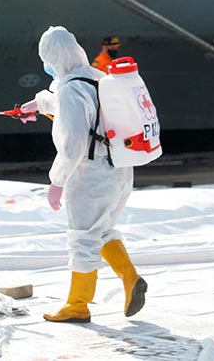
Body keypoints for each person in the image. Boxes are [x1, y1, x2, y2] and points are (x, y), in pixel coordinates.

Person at [19, 26, 146, 323]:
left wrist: (57, 180)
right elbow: (74, 105)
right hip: (119, 170)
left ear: (54, 58)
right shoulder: (96, 77)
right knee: (101, 231)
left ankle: (78, 304)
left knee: (82, 238)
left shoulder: (70, 89)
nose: (46, 66)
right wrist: (39, 104)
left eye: (46, 59)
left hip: (90, 175)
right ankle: (130, 279)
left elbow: (74, 141)